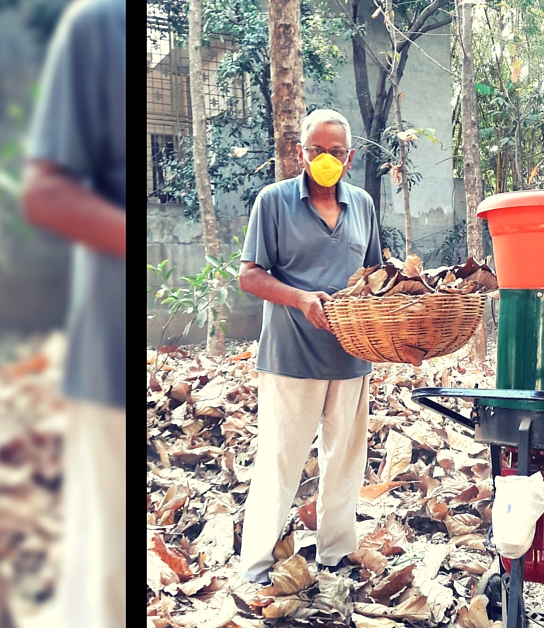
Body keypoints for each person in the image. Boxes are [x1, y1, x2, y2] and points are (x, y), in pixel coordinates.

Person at [237, 108, 382, 584]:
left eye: (335, 152)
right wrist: (300, 299)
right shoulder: (273, 202)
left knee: (345, 460)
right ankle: (258, 563)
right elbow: (250, 275)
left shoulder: (362, 204)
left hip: (352, 355)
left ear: (350, 157)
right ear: (301, 152)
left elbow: (377, 276)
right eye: (316, 150)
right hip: (291, 354)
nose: (325, 159)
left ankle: (336, 553)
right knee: (281, 458)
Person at [18, 0, 125, 625]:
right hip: (107, 351)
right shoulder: (99, 25)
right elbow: (45, 191)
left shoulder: (356, 205)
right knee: (103, 580)